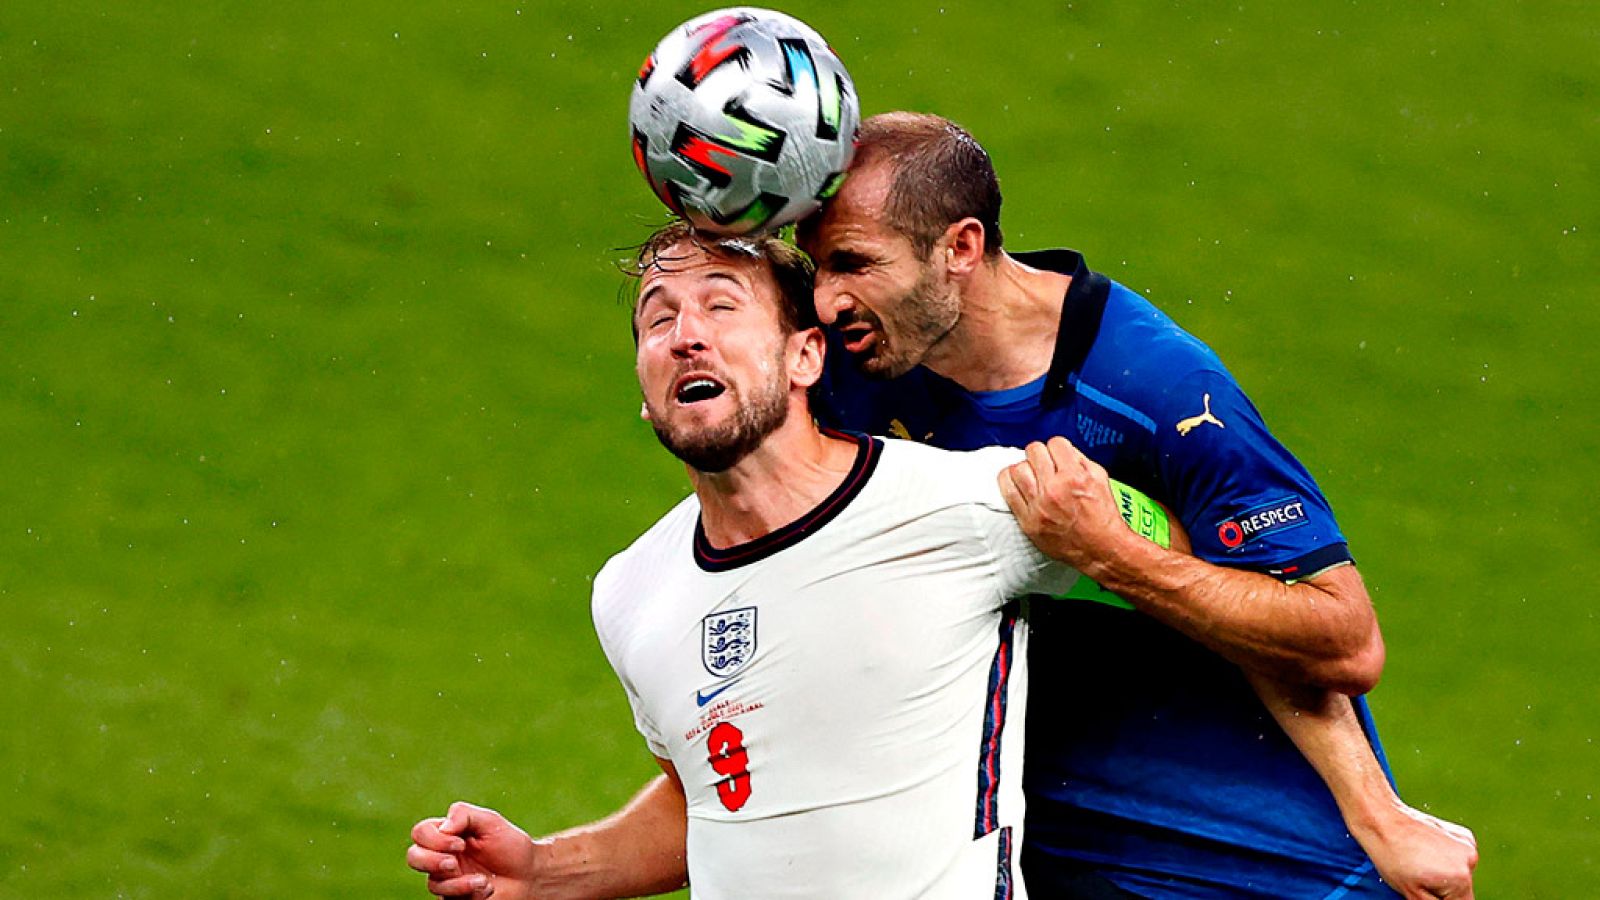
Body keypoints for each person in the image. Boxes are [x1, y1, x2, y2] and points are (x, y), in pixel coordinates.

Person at [796, 111, 1478, 898]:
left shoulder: (1159, 390)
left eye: (852, 264)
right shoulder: (847, 368)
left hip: (1248, 855)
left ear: (961, 248)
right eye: (813, 266)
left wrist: (1110, 555)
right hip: (1028, 839)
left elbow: (1340, 639)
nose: (823, 300)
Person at [408, 222, 1180, 898]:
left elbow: (1173, 554)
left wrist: (1133, 555)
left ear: (807, 355)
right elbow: (711, 802)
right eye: (658, 319)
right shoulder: (632, 592)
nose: (685, 336)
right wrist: (544, 872)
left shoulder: (972, 503)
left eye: (721, 305)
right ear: (645, 393)